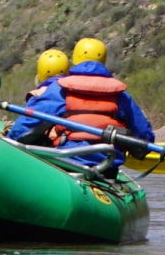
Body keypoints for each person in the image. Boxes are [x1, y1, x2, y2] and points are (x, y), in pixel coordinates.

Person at [25, 37, 154, 164]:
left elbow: (27, 123)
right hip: (107, 165)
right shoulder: (121, 96)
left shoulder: (60, 90)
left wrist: (10, 142)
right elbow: (145, 136)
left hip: (68, 160)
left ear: (75, 60)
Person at [4, 48, 71, 142]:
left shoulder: (41, 95)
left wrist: (8, 138)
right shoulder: (73, 91)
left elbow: (24, 125)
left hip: (51, 146)